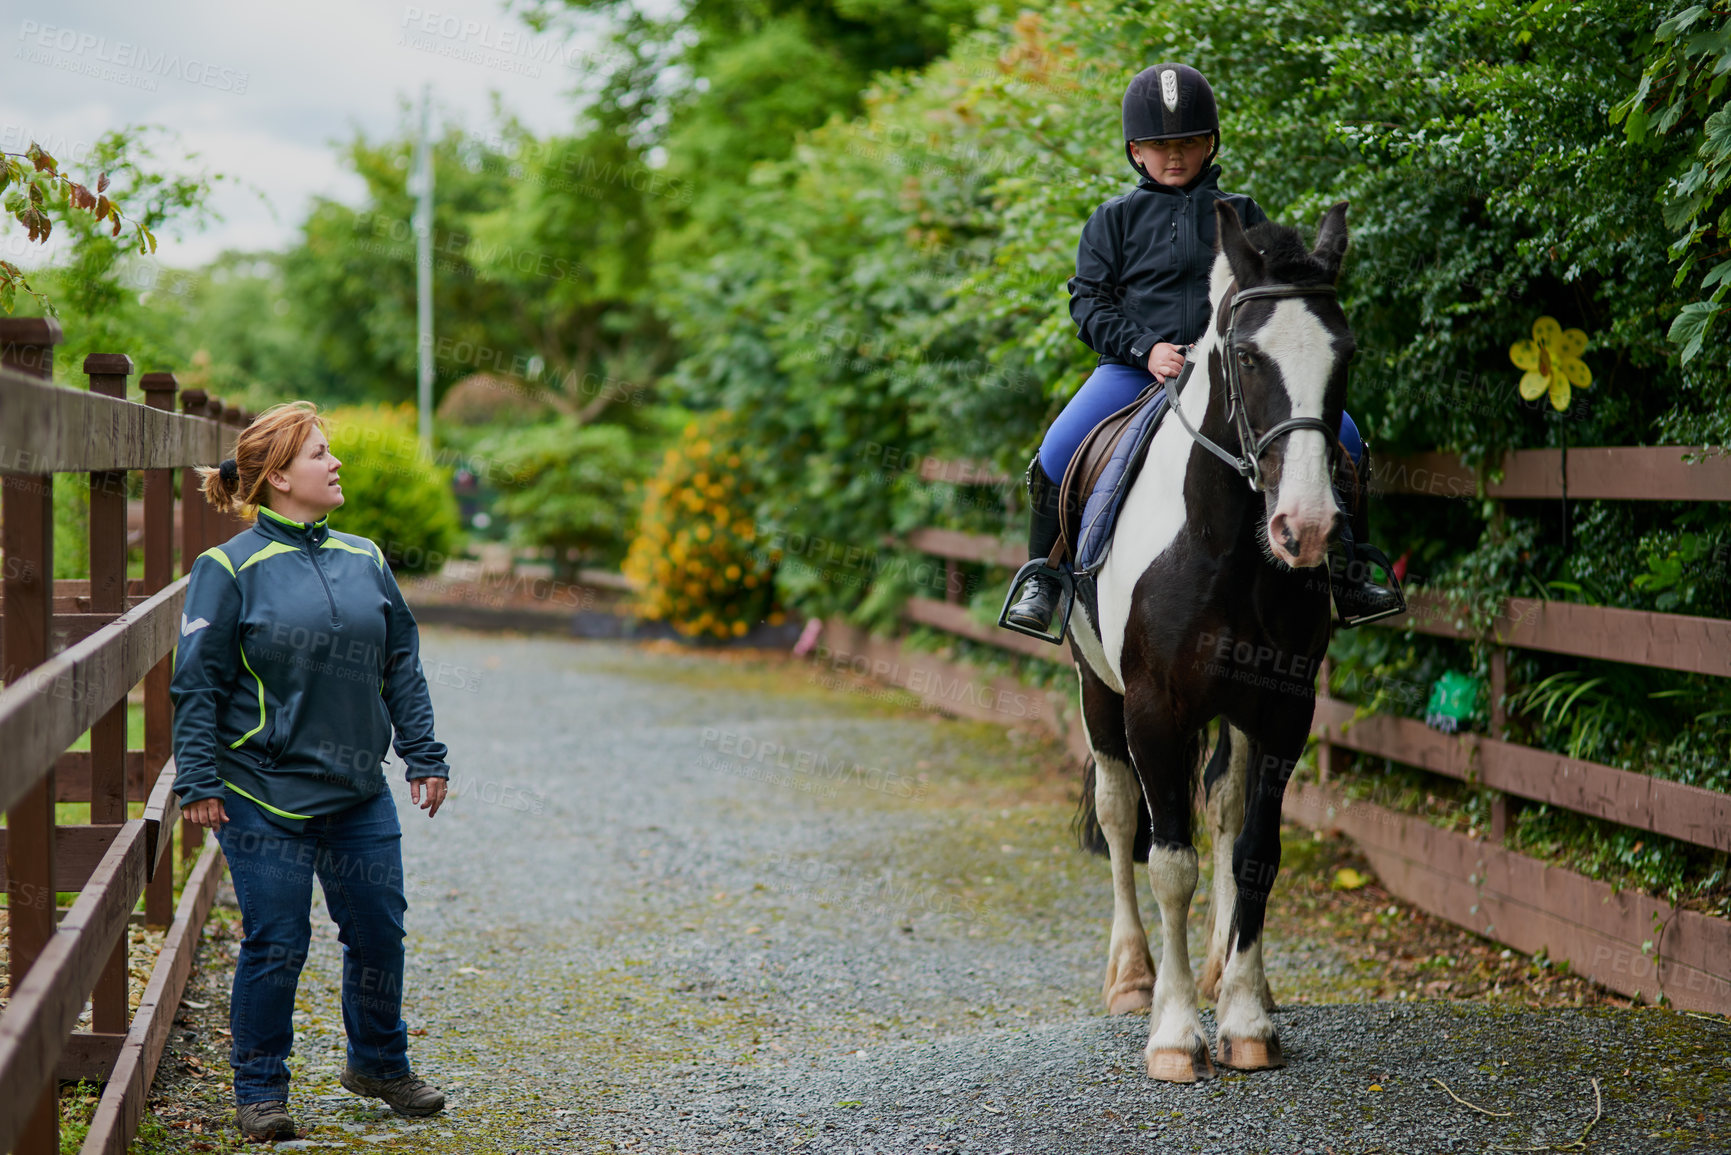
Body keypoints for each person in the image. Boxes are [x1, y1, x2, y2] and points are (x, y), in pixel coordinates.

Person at [1003, 63, 1402, 633]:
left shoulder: (1243, 215)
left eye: (1188, 142)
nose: (1174, 156)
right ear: (1135, 151)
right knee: (1056, 449)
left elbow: (1278, 297)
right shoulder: (1111, 222)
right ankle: (1043, 577)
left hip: (1233, 372)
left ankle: (1351, 573)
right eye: (1159, 145)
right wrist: (1145, 349)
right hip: (1137, 371)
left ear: (1210, 143)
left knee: (1348, 440)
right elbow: (1089, 304)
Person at [171, 401, 450, 1143]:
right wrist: (197, 779)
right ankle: (261, 1089)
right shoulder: (227, 568)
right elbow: (196, 682)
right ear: (278, 477)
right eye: (319, 454)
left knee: (378, 932)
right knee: (277, 940)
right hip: (262, 792)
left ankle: (379, 1064)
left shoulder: (365, 557)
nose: (335, 464)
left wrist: (424, 753)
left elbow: (401, 662)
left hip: (357, 789)